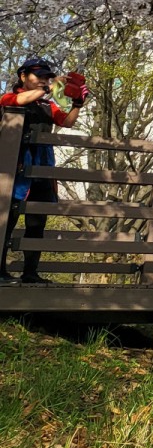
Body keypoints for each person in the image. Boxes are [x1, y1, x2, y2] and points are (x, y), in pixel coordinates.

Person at [0, 57, 86, 284]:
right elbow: (18, 100)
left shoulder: (48, 104)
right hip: (13, 168)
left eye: (47, 76)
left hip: (41, 168)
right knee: (6, 220)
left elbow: (66, 122)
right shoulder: (10, 97)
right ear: (23, 76)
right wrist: (50, 87)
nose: (43, 81)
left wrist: (77, 103)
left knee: (37, 221)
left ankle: (30, 272)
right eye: (38, 76)